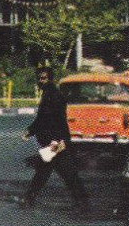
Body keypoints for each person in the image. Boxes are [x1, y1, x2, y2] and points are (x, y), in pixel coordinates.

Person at [17, 65, 90, 214]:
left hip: (55, 142)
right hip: (52, 142)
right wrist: (30, 131)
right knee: (50, 172)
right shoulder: (47, 93)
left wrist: (61, 140)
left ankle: (82, 201)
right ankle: (29, 198)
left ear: (49, 79)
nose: (40, 81)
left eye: (43, 78)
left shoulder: (54, 95)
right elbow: (42, 119)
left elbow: (60, 120)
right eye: (39, 78)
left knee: (64, 174)